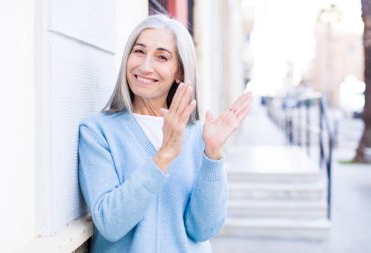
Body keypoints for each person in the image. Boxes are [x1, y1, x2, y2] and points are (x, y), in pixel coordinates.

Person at [78, 14, 252, 253]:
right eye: (139, 52)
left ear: (179, 71)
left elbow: (203, 229)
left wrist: (212, 154)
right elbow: (110, 223)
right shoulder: (98, 132)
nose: (145, 66)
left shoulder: (200, 136)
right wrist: (165, 154)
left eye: (162, 57)